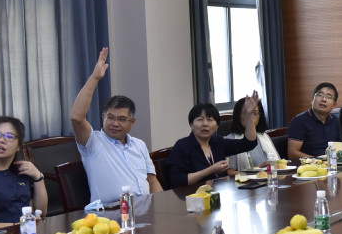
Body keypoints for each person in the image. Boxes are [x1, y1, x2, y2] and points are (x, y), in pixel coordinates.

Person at [71, 47, 161, 204]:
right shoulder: (93, 143)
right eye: (110, 117)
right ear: (103, 117)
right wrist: (95, 77)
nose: (115, 123)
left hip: (144, 209)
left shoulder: (139, 145)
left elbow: (152, 182)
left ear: (132, 122)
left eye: (122, 119)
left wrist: (163, 208)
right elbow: (77, 118)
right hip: (111, 212)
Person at [164, 93, 260, 188]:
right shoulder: (182, 146)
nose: (205, 124)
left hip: (218, 192)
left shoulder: (218, 142)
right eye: (200, 119)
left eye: (210, 120)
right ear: (191, 124)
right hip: (193, 195)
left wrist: (248, 115)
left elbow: (249, 143)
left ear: (217, 125)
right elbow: (177, 181)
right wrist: (211, 170)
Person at [288, 82, 342, 159]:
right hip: (309, 165)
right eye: (319, 95)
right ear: (312, 99)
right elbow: (292, 153)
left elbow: (339, 148)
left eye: (329, 97)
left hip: (331, 164)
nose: (323, 99)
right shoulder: (299, 121)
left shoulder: (335, 121)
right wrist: (319, 161)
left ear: (334, 105)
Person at [225, 96, 280, 171]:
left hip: (270, 177)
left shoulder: (264, 136)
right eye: (246, 113)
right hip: (247, 179)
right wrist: (257, 169)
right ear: (238, 116)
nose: (250, 117)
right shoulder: (231, 139)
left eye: (254, 113)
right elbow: (229, 173)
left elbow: (277, 163)